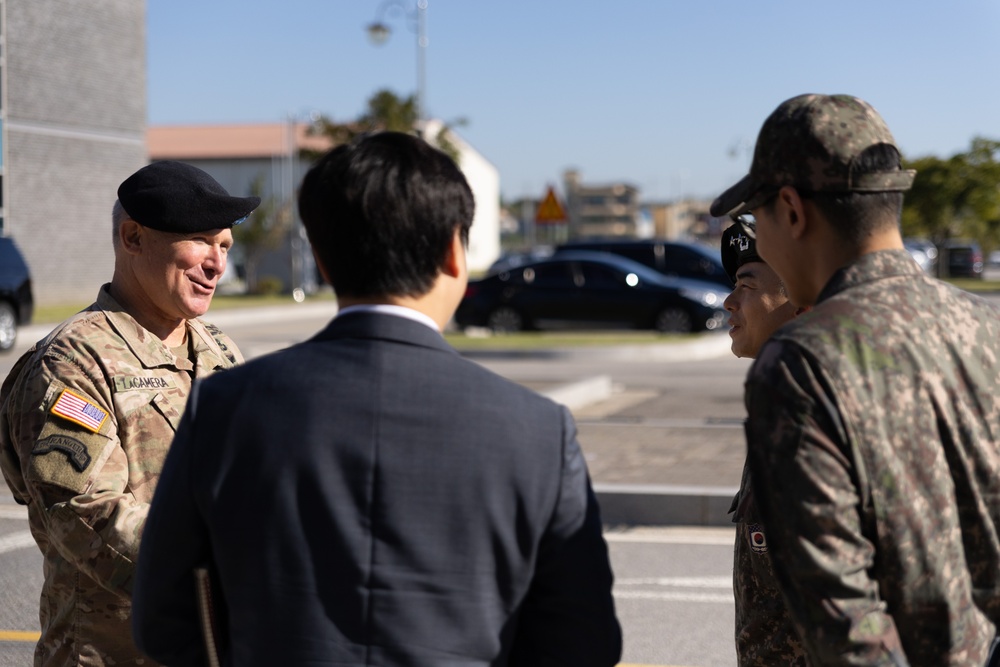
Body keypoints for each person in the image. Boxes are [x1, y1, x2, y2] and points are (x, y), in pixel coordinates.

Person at [131, 131, 623, 667]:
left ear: (320, 257)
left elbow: (163, 622)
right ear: (454, 253)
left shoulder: (223, 407)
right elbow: (583, 642)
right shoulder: (538, 430)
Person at [710, 93, 1000, 665]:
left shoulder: (803, 364)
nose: (757, 241)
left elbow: (844, 623)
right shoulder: (985, 328)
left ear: (791, 211)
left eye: (758, 218)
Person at [0, 160, 257, 666]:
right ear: (133, 237)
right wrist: (232, 574)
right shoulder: (73, 362)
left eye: (224, 245)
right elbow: (86, 517)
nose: (217, 263)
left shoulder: (220, 350)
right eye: (200, 241)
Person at [721, 223, 809, 666]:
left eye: (746, 285)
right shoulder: (778, 404)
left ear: (798, 299)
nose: (729, 301)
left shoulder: (814, 420)